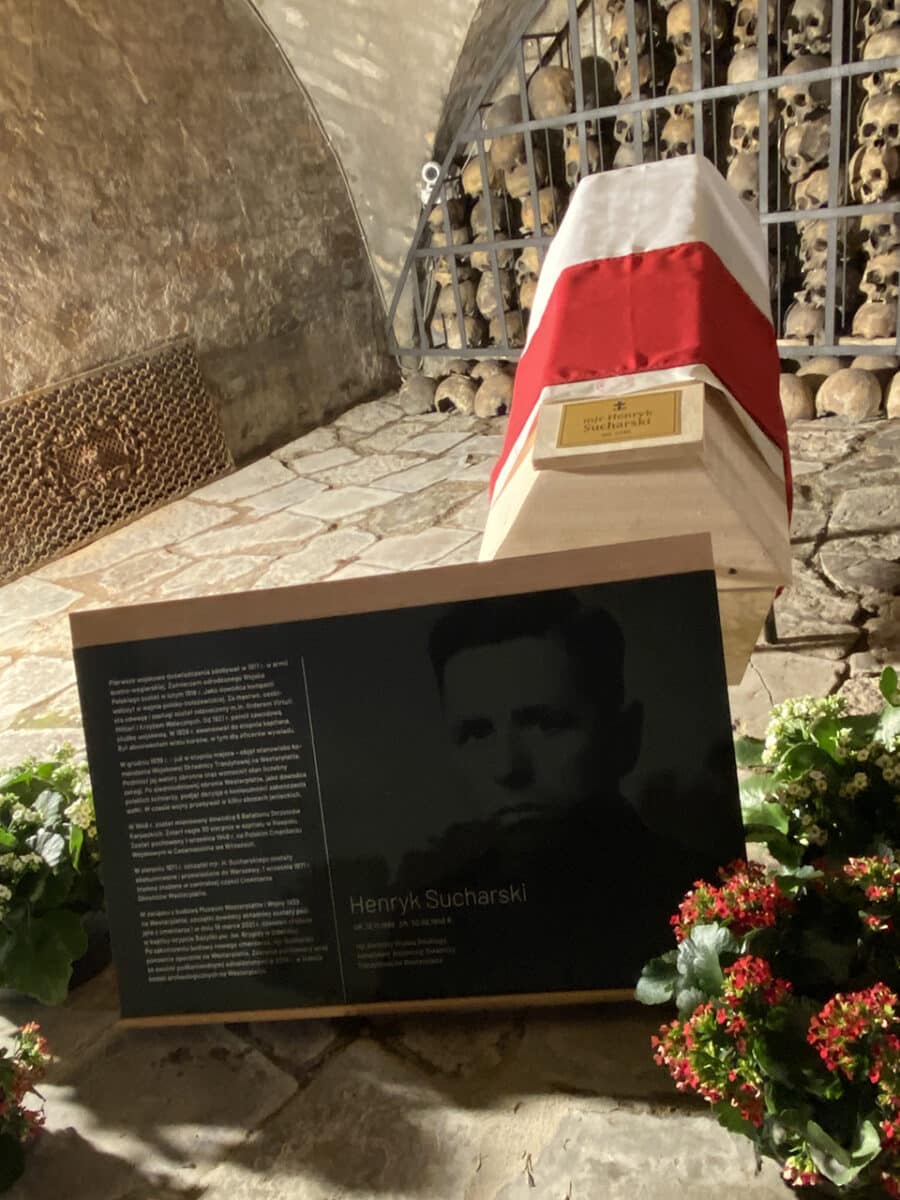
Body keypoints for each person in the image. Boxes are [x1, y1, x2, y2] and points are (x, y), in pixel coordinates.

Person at [392, 588, 724, 995]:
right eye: (476, 734)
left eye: (546, 724)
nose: (507, 769)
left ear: (623, 737)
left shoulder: (708, 903)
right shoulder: (429, 923)